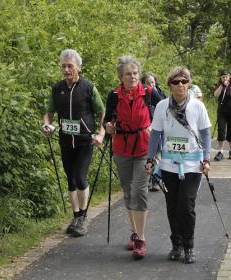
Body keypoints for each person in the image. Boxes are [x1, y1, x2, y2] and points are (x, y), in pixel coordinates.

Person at [145, 66, 211, 264]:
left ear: (189, 83)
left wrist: (206, 159)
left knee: (186, 205)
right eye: (176, 82)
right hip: (168, 165)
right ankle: (177, 244)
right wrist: (150, 159)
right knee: (172, 205)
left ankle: (189, 246)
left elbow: (206, 134)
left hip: (192, 165)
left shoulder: (198, 107)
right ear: (170, 85)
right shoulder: (162, 106)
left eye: (184, 81)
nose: (180, 85)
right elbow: (156, 134)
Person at [103, 55, 164, 260]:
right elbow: (106, 121)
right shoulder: (113, 95)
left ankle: (141, 238)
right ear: (121, 76)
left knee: (139, 191)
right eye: (128, 74)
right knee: (128, 192)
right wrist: (108, 127)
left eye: (135, 73)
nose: (132, 77)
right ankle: (134, 232)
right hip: (121, 148)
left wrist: (155, 129)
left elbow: (165, 110)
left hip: (145, 149)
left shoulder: (148, 92)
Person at [42, 49, 105, 237]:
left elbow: (103, 113)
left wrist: (101, 134)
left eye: (70, 66)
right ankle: (75, 216)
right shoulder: (57, 88)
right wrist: (46, 124)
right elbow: (49, 112)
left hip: (85, 141)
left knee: (79, 177)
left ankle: (83, 217)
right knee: (70, 179)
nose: (66, 70)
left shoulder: (88, 88)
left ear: (79, 67)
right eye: (64, 66)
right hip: (65, 140)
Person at [141, 72, 167, 192]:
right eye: (148, 83)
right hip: (144, 130)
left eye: (153, 82)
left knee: (156, 155)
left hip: (157, 129)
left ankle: (155, 180)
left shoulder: (161, 95)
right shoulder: (141, 95)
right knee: (146, 155)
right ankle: (145, 180)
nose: (151, 85)